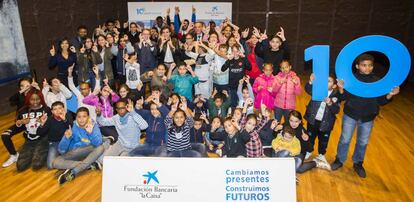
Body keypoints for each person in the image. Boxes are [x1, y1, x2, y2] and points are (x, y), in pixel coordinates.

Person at [331, 54, 400, 178]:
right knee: (345, 139)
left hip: (368, 117)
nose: (367, 68)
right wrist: (341, 88)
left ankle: (358, 163)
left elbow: (381, 101)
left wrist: (390, 94)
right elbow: (343, 97)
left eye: (370, 65)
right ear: (357, 66)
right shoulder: (351, 79)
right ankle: (339, 160)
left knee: (362, 142)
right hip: (351, 114)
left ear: (372, 67)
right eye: (364, 65)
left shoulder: (377, 81)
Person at [54, 107, 104, 185]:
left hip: (89, 149)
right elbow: (61, 150)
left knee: (101, 147)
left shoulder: (93, 125)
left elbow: (98, 143)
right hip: (75, 152)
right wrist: (66, 139)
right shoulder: (72, 126)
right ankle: (89, 165)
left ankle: (74, 171)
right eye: (79, 117)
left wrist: (90, 133)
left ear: (88, 117)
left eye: (84, 116)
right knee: (55, 162)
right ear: (76, 117)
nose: (81, 119)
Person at [304, 73, 341, 165]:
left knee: (323, 140)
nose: (325, 83)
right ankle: (309, 150)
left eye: (329, 81)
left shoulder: (336, 96)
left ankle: (321, 154)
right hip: (313, 120)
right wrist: (311, 82)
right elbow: (308, 90)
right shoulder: (318, 90)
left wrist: (330, 103)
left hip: (326, 123)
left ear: (334, 85)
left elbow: (336, 110)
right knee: (310, 136)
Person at [96, 99, 148, 163]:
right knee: (102, 160)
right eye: (118, 108)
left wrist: (133, 112)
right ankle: (110, 148)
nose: (120, 110)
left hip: (132, 147)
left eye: (123, 108)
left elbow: (144, 126)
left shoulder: (133, 116)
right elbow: (103, 122)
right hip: (120, 144)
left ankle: (122, 155)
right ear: (116, 110)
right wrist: (99, 115)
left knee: (122, 163)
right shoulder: (116, 118)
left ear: (127, 107)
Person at [12, 90, 51, 171]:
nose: (35, 102)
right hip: (29, 139)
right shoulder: (23, 110)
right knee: (20, 166)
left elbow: (51, 124)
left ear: (41, 99)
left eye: (38, 99)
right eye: (32, 99)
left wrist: (43, 123)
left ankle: (42, 151)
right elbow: (17, 124)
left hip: (43, 138)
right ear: (28, 99)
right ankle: (33, 152)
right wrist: (21, 122)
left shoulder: (46, 109)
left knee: (37, 165)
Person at [37, 101, 72, 169]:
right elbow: (39, 133)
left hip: (66, 141)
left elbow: (71, 128)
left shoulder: (67, 116)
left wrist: (64, 119)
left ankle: (62, 158)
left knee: (73, 156)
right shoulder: (50, 119)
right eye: (55, 109)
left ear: (64, 109)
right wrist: (42, 124)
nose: (58, 111)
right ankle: (60, 157)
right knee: (50, 166)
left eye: (60, 108)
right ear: (52, 111)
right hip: (54, 143)